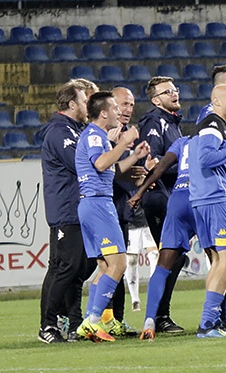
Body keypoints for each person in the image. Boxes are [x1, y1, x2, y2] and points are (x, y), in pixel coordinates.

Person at [74, 91, 150, 341]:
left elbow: (112, 168)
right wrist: (122, 142)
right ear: (104, 113)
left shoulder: (96, 136)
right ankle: (93, 321)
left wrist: (134, 156)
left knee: (104, 267)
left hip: (90, 204)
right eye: (115, 108)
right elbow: (100, 164)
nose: (120, 112)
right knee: (118, 264)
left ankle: (90, 321)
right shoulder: (95, 135)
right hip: (98, 204)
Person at [190, 84, 226, 338]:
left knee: (218, 261)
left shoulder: (216, 126)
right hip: (214, 198)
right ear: (215, 101)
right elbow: (205, 158)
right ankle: (207, 323)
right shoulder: (213, 124)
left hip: (203, 198)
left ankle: (212, 323)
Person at [37, 81, 90, 343]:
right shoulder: (60, 132)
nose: (86, 106)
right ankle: (47, 325)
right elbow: (79, 163)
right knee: (64, 267)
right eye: (83, 101)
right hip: (66, 209)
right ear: (72, 104)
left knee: (76, 267)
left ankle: (72, 321)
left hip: (75, 209)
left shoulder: (73, 130)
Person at [128, 134, 195, 340]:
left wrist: (140, 192)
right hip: (203, 198)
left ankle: (150, 320)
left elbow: (161, 166)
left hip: (177, 200)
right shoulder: (217, 139)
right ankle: (218, 320)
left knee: (164, 262)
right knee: (221, 259)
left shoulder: (182, 141)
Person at [137, 76, 186, 333]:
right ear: (156, 100)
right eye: (168, 92)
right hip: (159, 197)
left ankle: (159, 314)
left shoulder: (172, 122)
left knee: (176, 256)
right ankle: (159, 316)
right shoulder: (155, 120)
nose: (174, 94)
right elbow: (154, 160)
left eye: (175, 90)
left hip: (170, 195)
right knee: (171, 255)